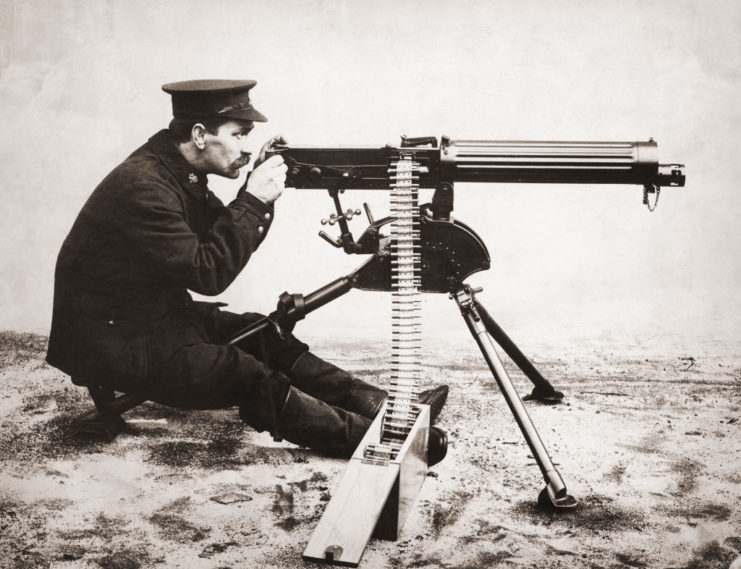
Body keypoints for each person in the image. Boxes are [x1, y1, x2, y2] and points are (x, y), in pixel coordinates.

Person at [46, 79, 448, 462]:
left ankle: (386, 408)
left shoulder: (173, 170)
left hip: (151, 320)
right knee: (246, 373)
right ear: (201, 135)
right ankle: (371, 439)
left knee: (266, 335)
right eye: (239, 134)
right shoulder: (145, 187)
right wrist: (253, 199)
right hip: (115, 341)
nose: (245, 146)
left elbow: (221, 237)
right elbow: (209, 273)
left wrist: (253, 195)